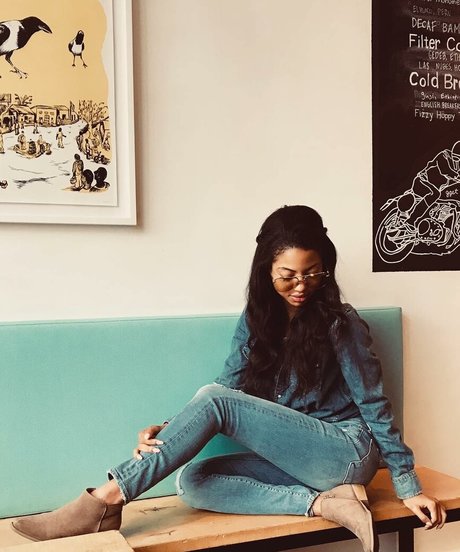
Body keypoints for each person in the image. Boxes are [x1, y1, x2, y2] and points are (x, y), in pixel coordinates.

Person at [11, 205, 446, 551]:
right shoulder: (256, 320)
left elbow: (373, 403)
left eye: (313, 272)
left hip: (345, 452)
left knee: (214, 398)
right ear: (266, 271)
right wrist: (169, 432)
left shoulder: (340, 322)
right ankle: (325, 505)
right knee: (192, 482)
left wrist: (408, 485)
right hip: (300, 465)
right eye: (288, 275)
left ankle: (106, 500)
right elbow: (228, 388)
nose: (301, 285)